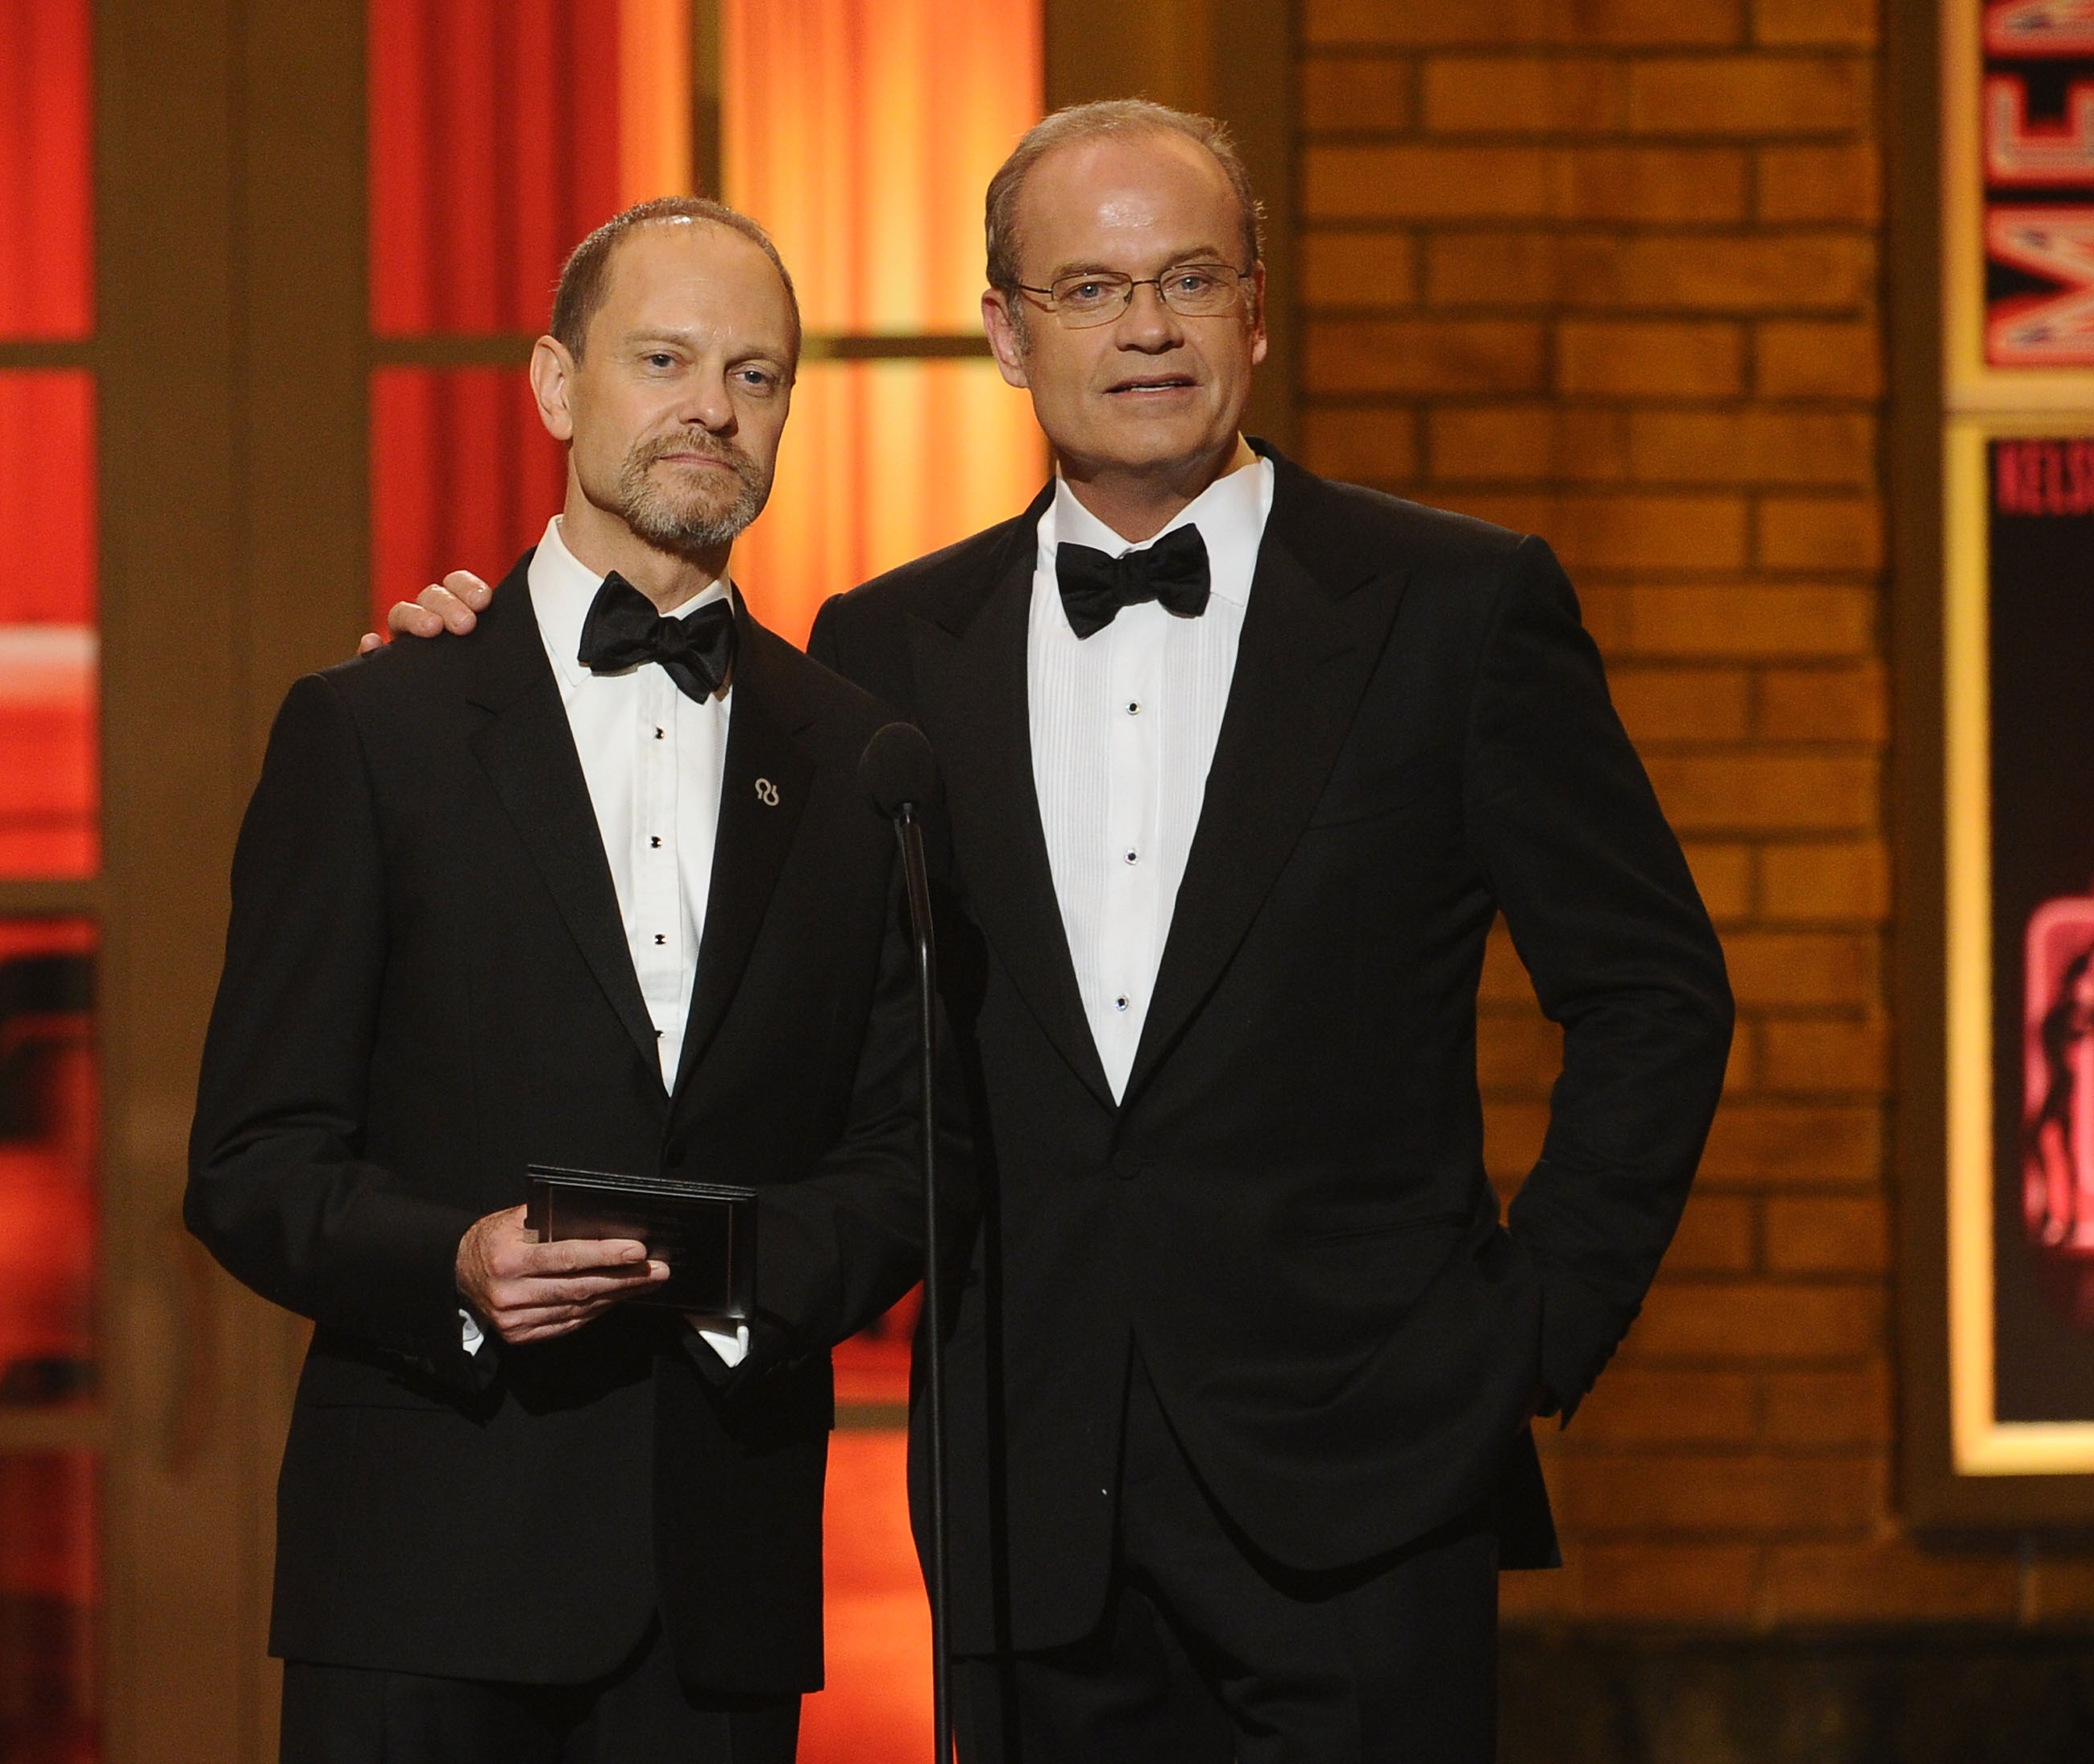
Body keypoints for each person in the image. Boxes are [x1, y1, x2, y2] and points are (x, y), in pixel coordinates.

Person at [379, 103, 1735, 1764]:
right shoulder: (885, 647)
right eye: (1089, 291)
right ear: (1006, 337)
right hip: (1023, 1501)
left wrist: (1530, 1330)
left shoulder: (1459, 610)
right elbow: (751, 1015)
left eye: (1185, 277)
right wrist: (484, 670)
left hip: (1370, 1491)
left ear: (1257, 305)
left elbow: (1656, 992)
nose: (1147, 327)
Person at [190, 197, 960, 1764]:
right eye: (663, 358)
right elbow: (251, 1162)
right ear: (555, 386)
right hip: (420, 1575)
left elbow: (910, 1155)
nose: (710, 408)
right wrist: (452, 1263)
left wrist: (747, 1272)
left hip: (718, 1583)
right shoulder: (374, 729)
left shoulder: (861, 758)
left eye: (755, 375)